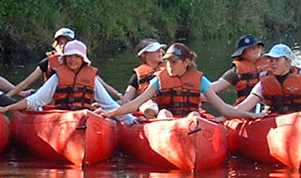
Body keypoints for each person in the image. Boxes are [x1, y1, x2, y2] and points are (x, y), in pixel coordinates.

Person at [97, 43, 261, 121]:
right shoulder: (159, 81)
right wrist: (110, 114)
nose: (168, 66)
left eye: (173, 62)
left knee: (195, 115)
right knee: (163, 113)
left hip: (191, 122)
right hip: (168, 124)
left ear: (185, 63)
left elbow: (224, 108)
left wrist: (251, 116)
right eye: (167, 62)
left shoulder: (200, 81)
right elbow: (135, 104)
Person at [0, 40, 120, 114]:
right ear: (65, 58)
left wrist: (131, 120)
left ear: (83, 59)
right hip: (62, 118)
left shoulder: (91, 77)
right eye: (69, 56)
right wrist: (8, 108)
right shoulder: (57, 77)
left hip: (85, 116)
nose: (72, 60)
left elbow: (109, 104)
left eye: (76, 56)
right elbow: (35, 100)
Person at [236, 44, 301, 114]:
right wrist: (231, 113)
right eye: (271, 60)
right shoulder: (263, 82)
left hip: (297, 118)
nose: (273, 63)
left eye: (277, 60)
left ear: (288, 62)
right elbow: (246, 105)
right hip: (273, 119)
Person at [7, 27, 75, 96]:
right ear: (56, 45)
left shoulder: (81, 63)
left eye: (66, 43)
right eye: (61, 43)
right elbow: (27, 82)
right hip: (50, 98)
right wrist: (6, 97)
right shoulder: (48, 61)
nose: (63, 46)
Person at [208, 34, 270, 101]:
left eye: (258, 46)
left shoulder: (271, 63)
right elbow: (217, 86)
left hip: (268, 106)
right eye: (251, 47)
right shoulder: (237, 71)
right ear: (242, 53)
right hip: (246, 108)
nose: (256, 49)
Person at [121, 39, 165, 119]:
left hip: (166, 103)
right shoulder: (137, 75)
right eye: (156, 50)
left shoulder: (170, 69)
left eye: (160, 50)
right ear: (145, 55)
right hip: (148, 104)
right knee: (147, 106)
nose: (160, 52)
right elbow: (126, 98)